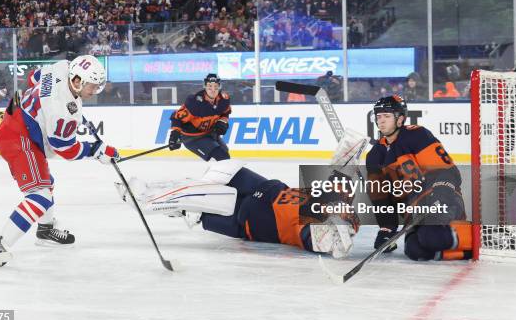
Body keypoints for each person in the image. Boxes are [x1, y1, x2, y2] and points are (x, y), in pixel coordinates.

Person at [0, 55, 120, 264]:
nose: (94, 91)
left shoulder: (62, 67)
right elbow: (64, 148)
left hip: (17, 119)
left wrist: (62, 103)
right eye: (92, 87)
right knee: (40, 195)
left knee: (48, 184)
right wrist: (96, 150)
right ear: (77, 81)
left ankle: (45, 231)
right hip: (19, 138)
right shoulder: (63, 112)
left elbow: (32, 78)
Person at [115, 159, 359, 260]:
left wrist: (341, 231)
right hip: (264, 188)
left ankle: (146, 201)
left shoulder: (312, 230)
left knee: (194, 208)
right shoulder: (320, 197)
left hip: (249, 219)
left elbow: (323, 243)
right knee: (220, 171)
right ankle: (147, 188)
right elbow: (336, 176)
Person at [365, 95, 473, 261]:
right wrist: (386, 228)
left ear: (400, 119)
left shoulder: (417, 135)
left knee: (430, 235)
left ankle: (484, 235)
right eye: (378, 116)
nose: (381, 121)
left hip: (442, 201)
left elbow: (448, 171)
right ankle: (468, 251)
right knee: (414, 249)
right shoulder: (374, 157)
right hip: (416, 214)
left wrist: (441, 192)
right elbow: (381, 198)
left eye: (387, 116)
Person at [168, 73, 231, 161]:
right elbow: (176, 118)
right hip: (193, 138)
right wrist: (174, 135)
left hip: (209, 133)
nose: (213, 90)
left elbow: (225, 113)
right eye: (209, 86)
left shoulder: (224, 99)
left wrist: (222, 122)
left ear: (219, 87)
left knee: (225, 154)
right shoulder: (194, 102)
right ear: (205, 86)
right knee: (221, 156)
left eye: (216, 86)